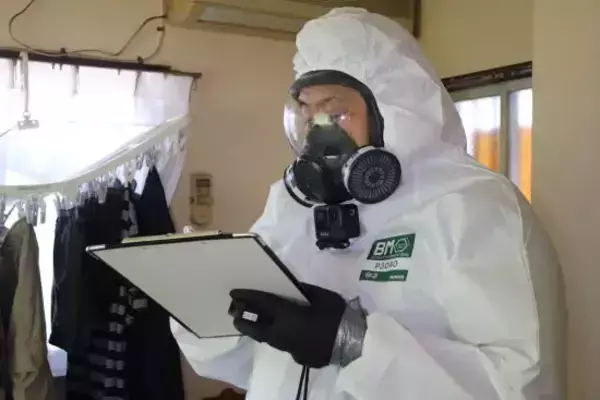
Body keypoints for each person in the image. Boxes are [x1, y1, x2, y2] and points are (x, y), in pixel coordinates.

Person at [172, 7, 566, 400]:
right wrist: (210, 306)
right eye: (309, 115)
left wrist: (353, 344)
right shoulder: (293, 208)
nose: (318, 135)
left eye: (336, 112)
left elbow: (520, 388)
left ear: (394, 110)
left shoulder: (474, 208)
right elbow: (238, 362)